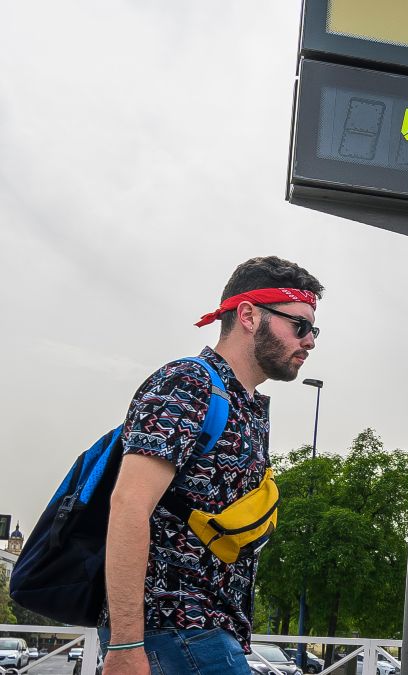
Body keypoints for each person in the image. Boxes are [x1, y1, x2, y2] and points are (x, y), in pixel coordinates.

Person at [101, 256, 324, 675]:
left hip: (211, 631)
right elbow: (129, 505)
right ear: (248, 316)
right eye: (300, 325)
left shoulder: (245, 404)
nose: (310, 340)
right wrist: (126, 645)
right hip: (173, 630)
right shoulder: (188, 383)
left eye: (315, 329)